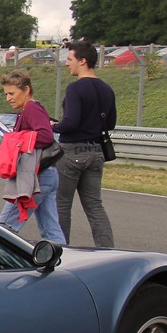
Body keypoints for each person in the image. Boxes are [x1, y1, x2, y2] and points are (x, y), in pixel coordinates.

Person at [0, 70, 64, 244]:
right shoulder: (27, 110)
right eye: (7, 94)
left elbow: (46, 136)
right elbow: (14, 147)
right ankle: (63, 259)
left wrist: (19, 138)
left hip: (36, 176)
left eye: (12, 93)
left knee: (4, 228)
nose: (8, 98)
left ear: (26, 90)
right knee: (51, 229)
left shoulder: (31, 109)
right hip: (47, 174)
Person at [54, 39, 117, 247]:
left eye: (70, 59)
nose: (67, 63)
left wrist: (52, 126)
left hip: (72, 151)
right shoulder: (107, 89)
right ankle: (107, 249)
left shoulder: (75, 89)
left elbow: (70, 123)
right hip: (96, 151)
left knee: (62, 205)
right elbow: (111, 122)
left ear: (82, 61)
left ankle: (61, 250)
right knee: (94, 205)